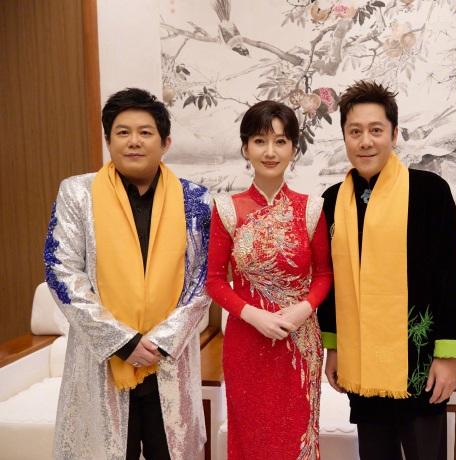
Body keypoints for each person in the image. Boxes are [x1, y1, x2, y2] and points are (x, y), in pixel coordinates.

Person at [44, 88, 211, 460]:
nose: (134, 141)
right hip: (102, 361)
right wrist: (122, 341)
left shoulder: (196, 201)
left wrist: (160, 342)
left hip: (168, 361)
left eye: (145, 132)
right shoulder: (78, 194)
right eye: (123, 132)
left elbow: (202, 280)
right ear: (108, 141)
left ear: (165, 142)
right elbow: (61, 270)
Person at [318, 80, 456, 460]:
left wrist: (447, 356)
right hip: (362, 361)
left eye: (376, 130)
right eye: (355, 132)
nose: (365, 141)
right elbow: (331, 283)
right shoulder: (333, 201)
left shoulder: (429, 192)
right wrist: (334, 348)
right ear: (344, 136)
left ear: (394, 133)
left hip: (419, 362)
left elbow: (451, 276)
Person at [205, 100, 332, 459]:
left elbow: (324, 275)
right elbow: (214, 280)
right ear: (246, 148)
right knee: (251, 440)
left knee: (296, 439)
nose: (270, 151)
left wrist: (303, 310)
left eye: (280, 141)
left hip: (299, 342)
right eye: (260, 141)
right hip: (246, 342)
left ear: (293, 148)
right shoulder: (227, 209)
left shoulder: (312, 208)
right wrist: (253, 315)